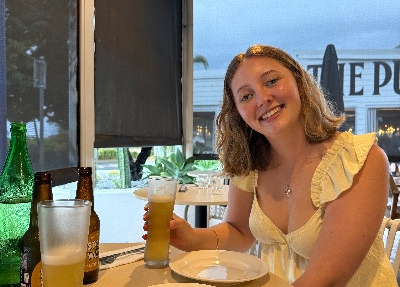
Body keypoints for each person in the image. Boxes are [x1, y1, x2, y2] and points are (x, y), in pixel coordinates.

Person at [143, 45, 397, 286]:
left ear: (299, 83)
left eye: (272, 81)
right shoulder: (251, 165)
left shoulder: (358, 160)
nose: (262, 99)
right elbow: (239, 231)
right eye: (246, 96)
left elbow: (327, 282)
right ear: (238, 112)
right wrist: (191, 238)